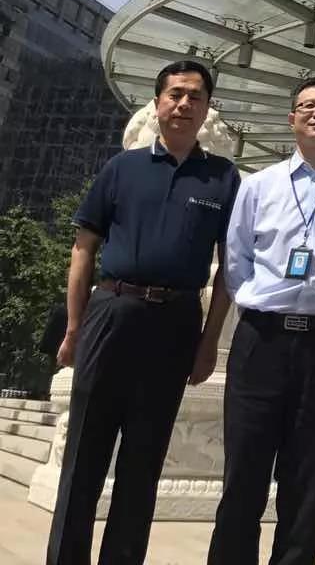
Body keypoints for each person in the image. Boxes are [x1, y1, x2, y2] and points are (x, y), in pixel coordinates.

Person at [47, 59, 240, 565]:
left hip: (176, 324)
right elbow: (83, 250)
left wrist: (209, 342)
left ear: (207, 108)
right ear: (157, 104)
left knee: (144, 460)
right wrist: (74, 328)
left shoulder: (223, 179)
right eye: (175, 94)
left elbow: (230, 268)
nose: (184, 103)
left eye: (195, 96)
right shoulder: (121, 168)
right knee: (84, 456)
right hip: (112, 312)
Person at [207, 75, 315, 565]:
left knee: (308, 479)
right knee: (243, 472)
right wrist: (261, 304)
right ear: (292, 119)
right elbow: (236, 261)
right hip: (260, 341)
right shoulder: (258, 186)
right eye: (308, 105)